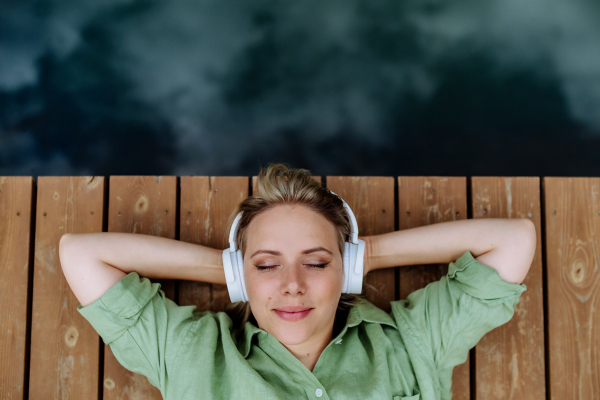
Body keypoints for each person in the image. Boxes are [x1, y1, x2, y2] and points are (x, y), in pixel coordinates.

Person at [59, 163, 536, 400]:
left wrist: (368, 256)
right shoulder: (193, 351)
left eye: (317, 262)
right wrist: (234, 271)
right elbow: (82, 254)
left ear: (344, 270)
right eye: (267, 265)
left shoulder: (414, 343)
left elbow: (513, 240)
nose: (291, 284)